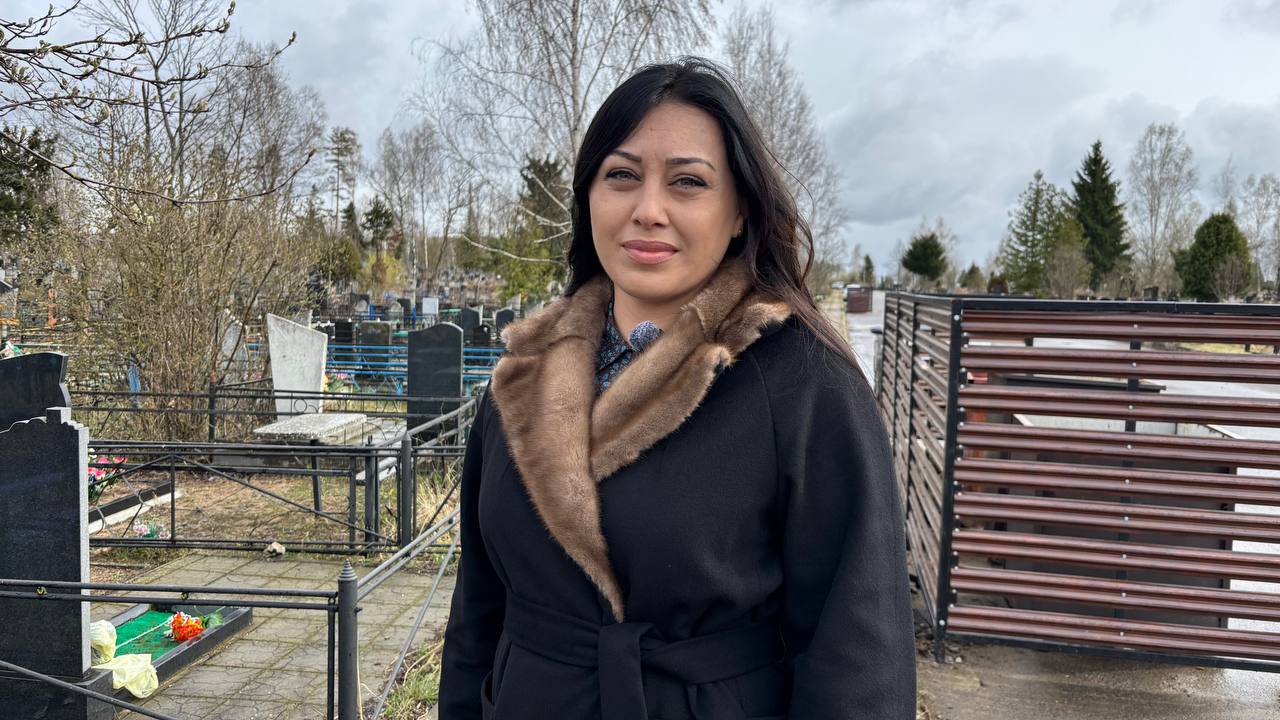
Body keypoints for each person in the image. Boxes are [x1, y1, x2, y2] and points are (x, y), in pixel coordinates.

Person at [439, 56, 915, 719]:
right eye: (622, 176)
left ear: (740, 212)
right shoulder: (523, 374)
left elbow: (858, 660)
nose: (648, 210)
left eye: (688, 182)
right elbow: (477, 614)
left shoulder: (806, 386)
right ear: (588, 195)